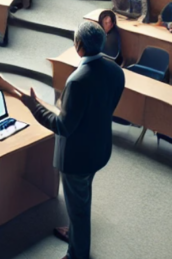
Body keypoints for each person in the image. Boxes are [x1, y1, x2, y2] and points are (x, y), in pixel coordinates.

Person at [19, 21, 124, 259]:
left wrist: (34, 106)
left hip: (77, 158)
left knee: (78, 208)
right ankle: (77, 233)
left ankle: (77, 253)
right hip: (100, 149)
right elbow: (107, 108)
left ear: (79, 46)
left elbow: (62, 126)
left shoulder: (78, 80)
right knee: (82, 198)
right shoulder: (116, 71)